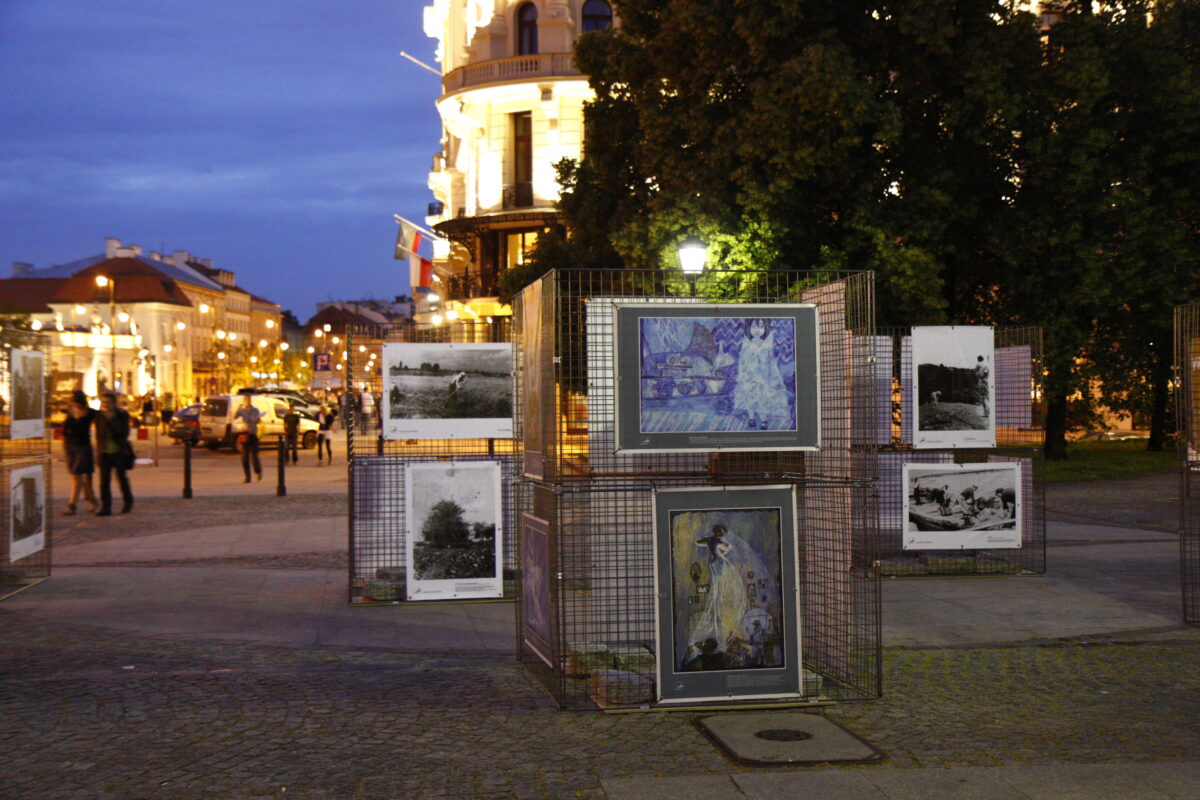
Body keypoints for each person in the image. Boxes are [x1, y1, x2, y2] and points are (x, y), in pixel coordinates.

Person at [732, 318, 791, 430]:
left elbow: (771, 361)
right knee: (750, 397)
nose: (757, 330)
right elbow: (742, 361)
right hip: (749, 377)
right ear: (749, 328)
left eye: (760, 326)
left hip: (763, 377)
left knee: (763, 399)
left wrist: (775, 377)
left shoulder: (767, 344)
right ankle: (751, 418)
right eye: (754, 326)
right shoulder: (746, 343)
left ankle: (763, 420)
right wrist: (742, 374)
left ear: (765, 328)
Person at [94, 392, 133, 516]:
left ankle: (128, 501)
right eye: (103, 402)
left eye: (108, 403)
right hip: (104, 452)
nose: (105, 405)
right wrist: (98, 452)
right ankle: (106, 507)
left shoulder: (122, 415)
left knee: (121, 478)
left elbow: (124, 432)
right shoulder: (100, 416)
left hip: (119, 451)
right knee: (104, 482)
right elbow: (99, 435)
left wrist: (112, 418)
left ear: (114, 404)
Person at [62, 390, 97, 515]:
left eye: (75, 402)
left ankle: (72, 505)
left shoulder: (90, 413)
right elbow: (65, 431)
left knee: (80, 476)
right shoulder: (70, 412)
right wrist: (65, 447)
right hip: (71, 448)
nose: (73, 405)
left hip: (83, 447)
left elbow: (103, 419)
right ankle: (92, 500)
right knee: (82, 477)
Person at [234, 395, 263, 482]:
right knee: (244, 458)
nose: (247, 401)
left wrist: (257, 419)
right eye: (245, 400)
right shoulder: (242, 410)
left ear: (250, 401)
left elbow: (258, 420)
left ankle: (258, 471)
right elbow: (235, 417)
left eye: (248, 400)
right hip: (245, 435)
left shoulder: (255, 410)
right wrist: (238, 408)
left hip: (253, 434)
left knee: (254, 456)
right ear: (243, 401)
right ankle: (247, 477)